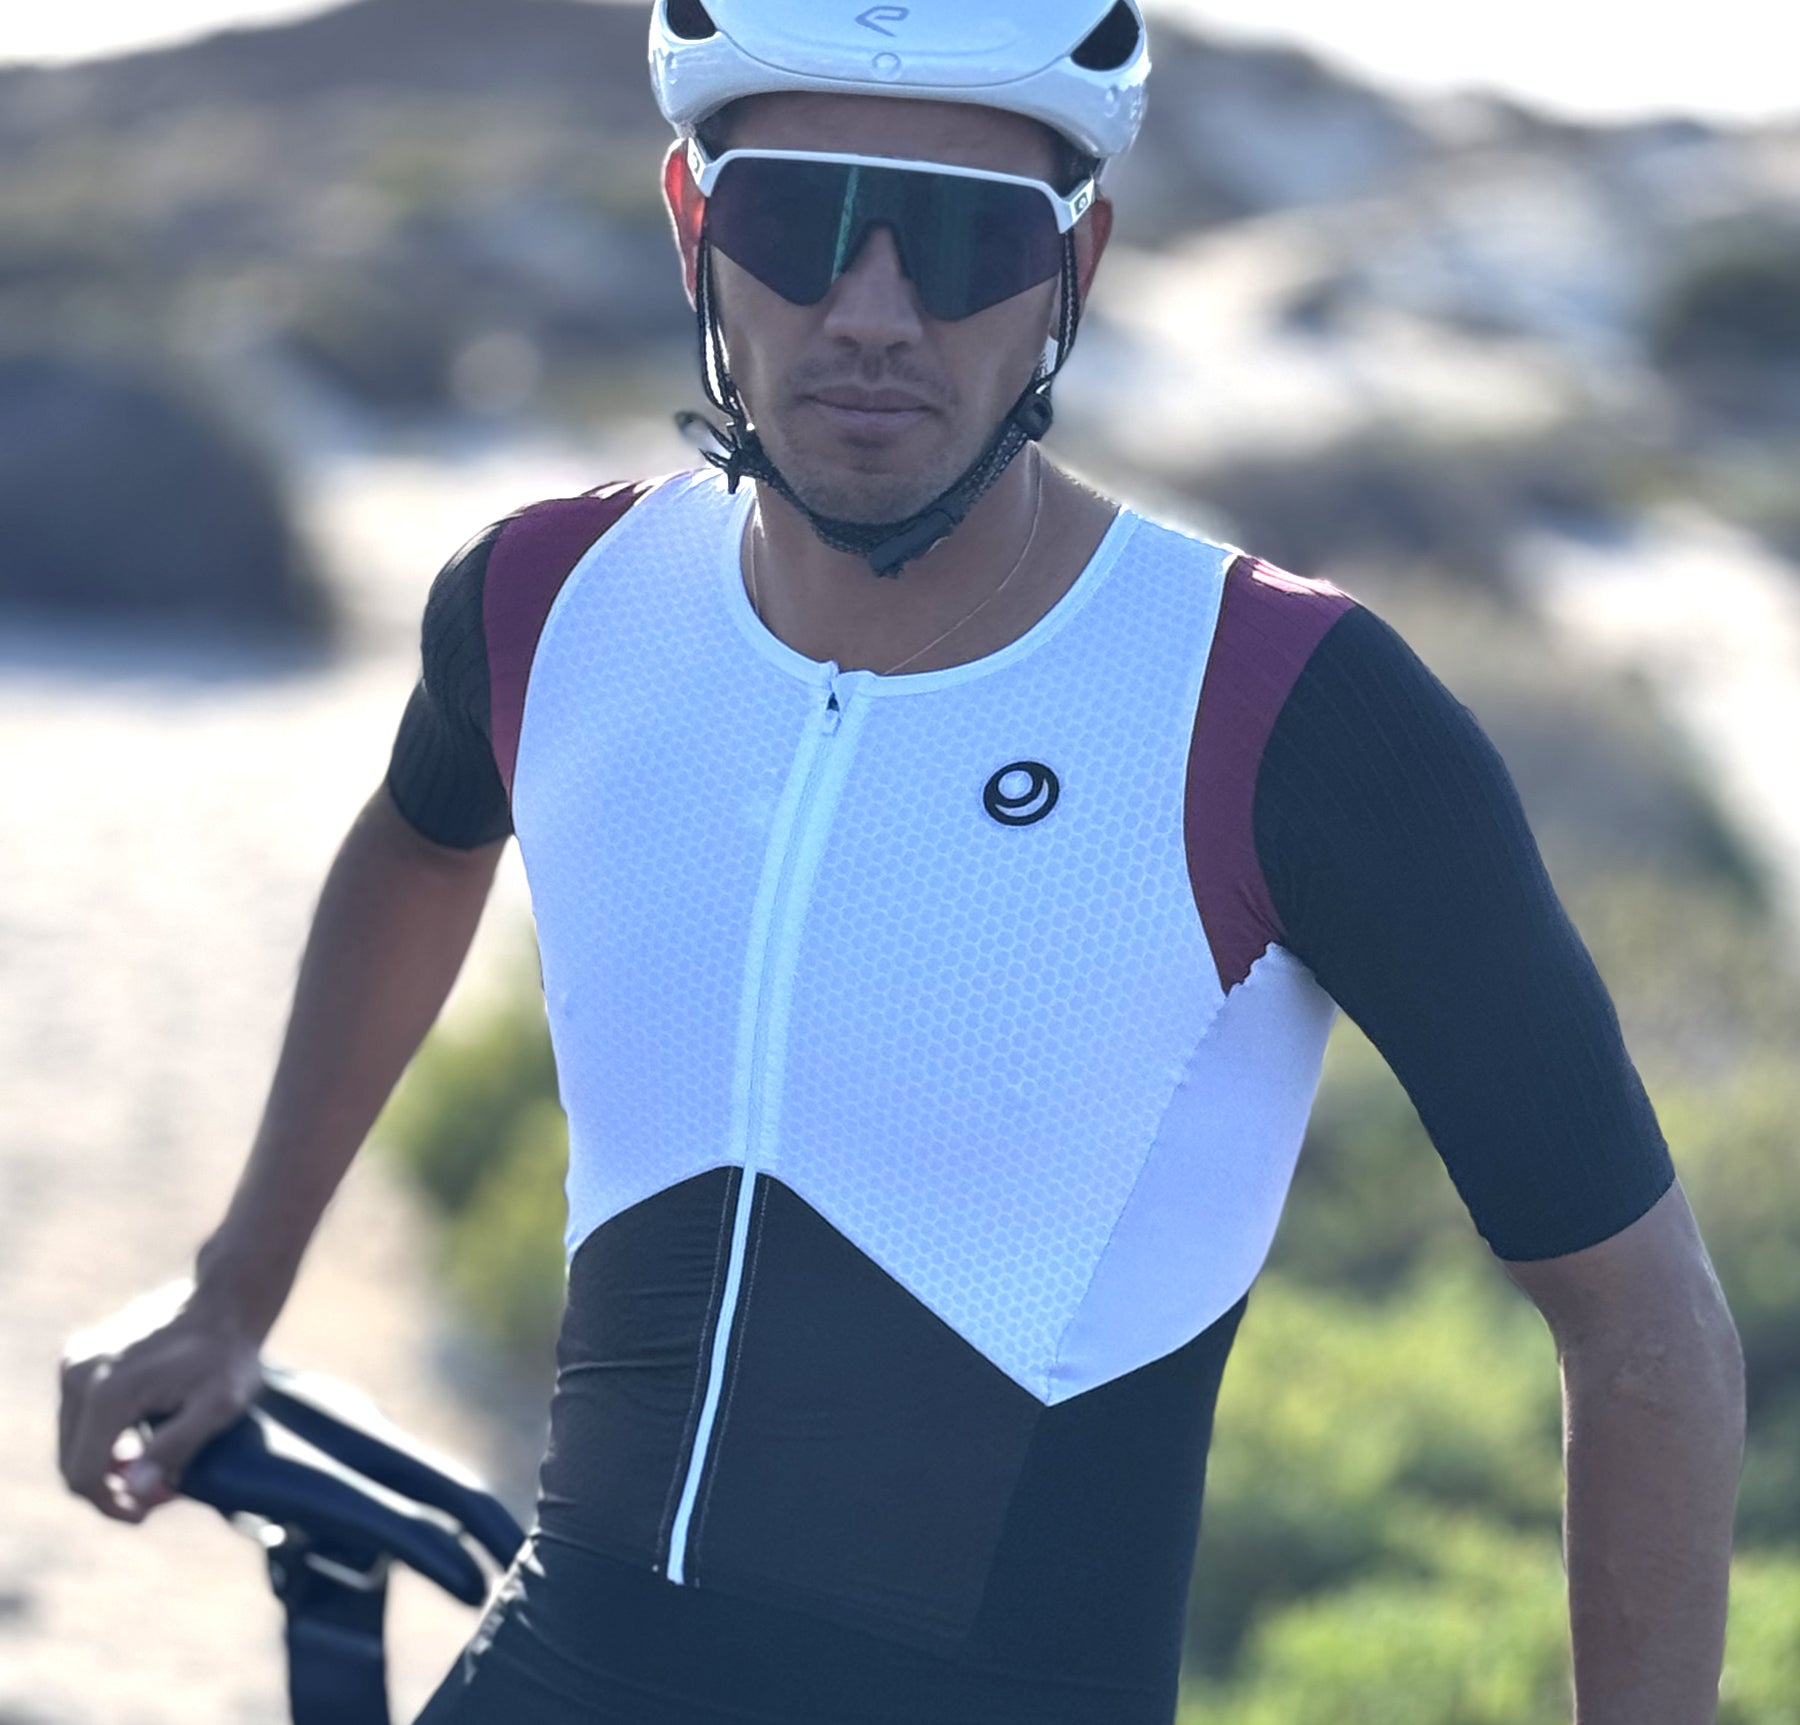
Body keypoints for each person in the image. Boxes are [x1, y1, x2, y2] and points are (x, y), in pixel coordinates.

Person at [59, 2, 1747, 1721]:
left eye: (961, 240)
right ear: (694, 225)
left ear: (1076, 261)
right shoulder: (548, 603)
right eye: (800, 222)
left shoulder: (1282, 707)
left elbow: (1642, 1324)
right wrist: (235, 1285)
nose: (872, 311)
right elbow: (420, 847)